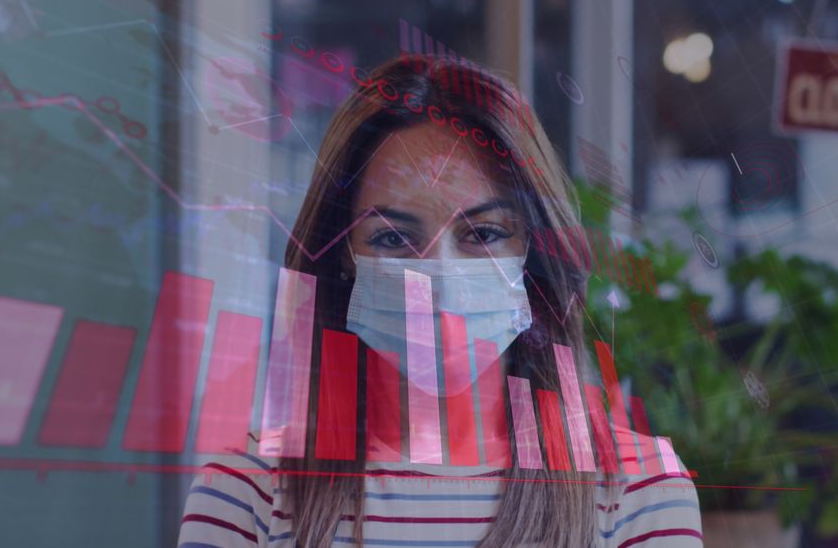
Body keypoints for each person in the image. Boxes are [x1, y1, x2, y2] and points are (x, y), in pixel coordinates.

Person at [178, 55, 702, 547]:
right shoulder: (246, 494)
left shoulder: (641, 490)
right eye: (392, 238)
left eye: (485, 232)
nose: (441, 278)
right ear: (341, 258)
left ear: (536, 252)